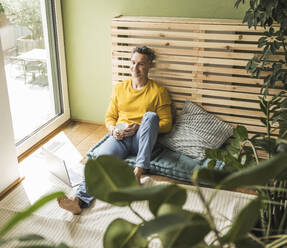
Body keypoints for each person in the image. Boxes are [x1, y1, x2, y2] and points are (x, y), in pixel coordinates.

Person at [58, 46, 172, 214]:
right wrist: (113, 130)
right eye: (133, 63)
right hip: (121, 138)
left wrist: (140, 126)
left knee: (150, 116)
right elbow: (110, 117)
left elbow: (167, 124)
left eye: (141, 64)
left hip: (143, 138)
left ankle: (138, 172)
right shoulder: (119, 88)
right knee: (98, 162)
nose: (135, 68)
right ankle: (78, 201)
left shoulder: (158, 91)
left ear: (150, 66)